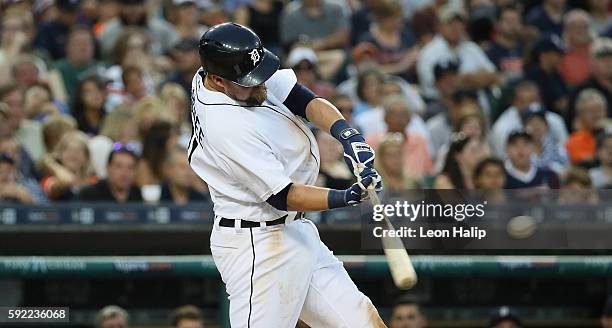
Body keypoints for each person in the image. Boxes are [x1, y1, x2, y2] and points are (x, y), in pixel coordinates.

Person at [190, 23, 385, 327]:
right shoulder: (223, 124)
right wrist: (347, 196)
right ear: (217, 80)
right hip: (258, 245)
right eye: (249, 82)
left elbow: (301, 99)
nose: (260, 86)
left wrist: (347, 135)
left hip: (296, 233)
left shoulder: (226, 74)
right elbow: (284, 196)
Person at [417, 4, 497, 101]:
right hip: (441, 105)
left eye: (459, 22)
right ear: (439, 26)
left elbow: (493, 76)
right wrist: (471, 79)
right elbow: (434, 86)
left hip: (476, 104)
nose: (455, 27)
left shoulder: (471, 48)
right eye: (450, 23)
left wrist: (464, 79)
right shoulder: (429, 52)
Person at [491, 81, 568, 157]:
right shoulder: (503, 128)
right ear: (514, 102)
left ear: (540, 101)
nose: (528, 106)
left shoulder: (554, 120)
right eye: (522, 101)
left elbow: (565, 150)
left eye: (533, 100)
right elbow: (503, 159)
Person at [366, 95, 433, 179]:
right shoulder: (372, 142)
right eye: (395, 114)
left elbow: (429, 172)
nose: (400, 118)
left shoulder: (419, 141)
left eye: (403, 114)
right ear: (385, 118)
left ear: (410, 119)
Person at [566, 37, 612, 130]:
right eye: (602, 59)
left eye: (611, 58)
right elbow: (574, 124)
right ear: (592, 62)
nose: (608, 62)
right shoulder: (581, 90)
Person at [40, 131, 96, 201]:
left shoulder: (93, 180)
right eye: (69, 150)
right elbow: (68, 180)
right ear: (60, 154)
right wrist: (51, 163)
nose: (73, 155)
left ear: (86, 157)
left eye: (79, 151)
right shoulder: (49, 180)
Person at [78, 142, 142, 202]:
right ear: (108, 168)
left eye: (130, 167)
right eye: (119, 166)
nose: (124, 173)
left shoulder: (136, 194)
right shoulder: (89, 194)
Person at [524, 34, 569, 115]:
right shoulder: (533, 75)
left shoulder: (555, 74)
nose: (561, 57)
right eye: (557, 53)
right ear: (544, 55)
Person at [521, 103, 569, 173]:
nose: (536, 125)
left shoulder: (558, 148)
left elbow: (567, 171)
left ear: (547, 125)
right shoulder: (521, 152)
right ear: (524, 126)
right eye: (531, 122)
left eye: (540, 121)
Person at [566, 88, 608, 165]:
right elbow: (585, 163)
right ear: (580, 115)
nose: (596, 114)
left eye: (599, 109)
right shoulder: (574, 141)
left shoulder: (609, 132)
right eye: (590, 110)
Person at [485, 4, 525, 82]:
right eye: (508, 21)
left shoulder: (527, 49)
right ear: (497, 24)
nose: (513, 25)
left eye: (516, 20)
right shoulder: (489, 52)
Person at [559, 9, 594, 86]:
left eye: (584, 27)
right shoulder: (561, 54)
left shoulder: (597, 50)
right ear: (567, 31)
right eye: (576, 27)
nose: (580, 31)